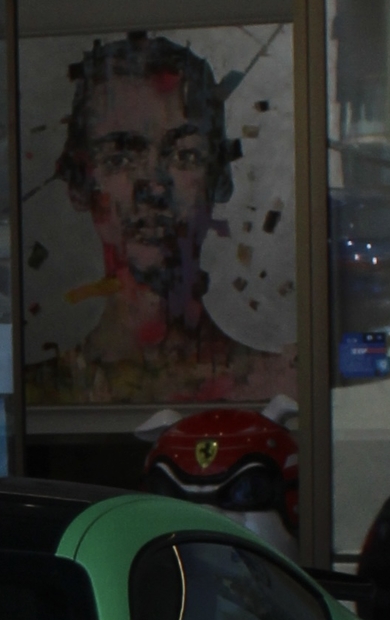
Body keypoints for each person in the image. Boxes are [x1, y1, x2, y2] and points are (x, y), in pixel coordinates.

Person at [29, 32, 288, 405]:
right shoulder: (41, 395)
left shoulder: (274, 385)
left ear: (220, 180)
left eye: (185, 156)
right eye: (120, 159)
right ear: (78, 185)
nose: (153, 186)